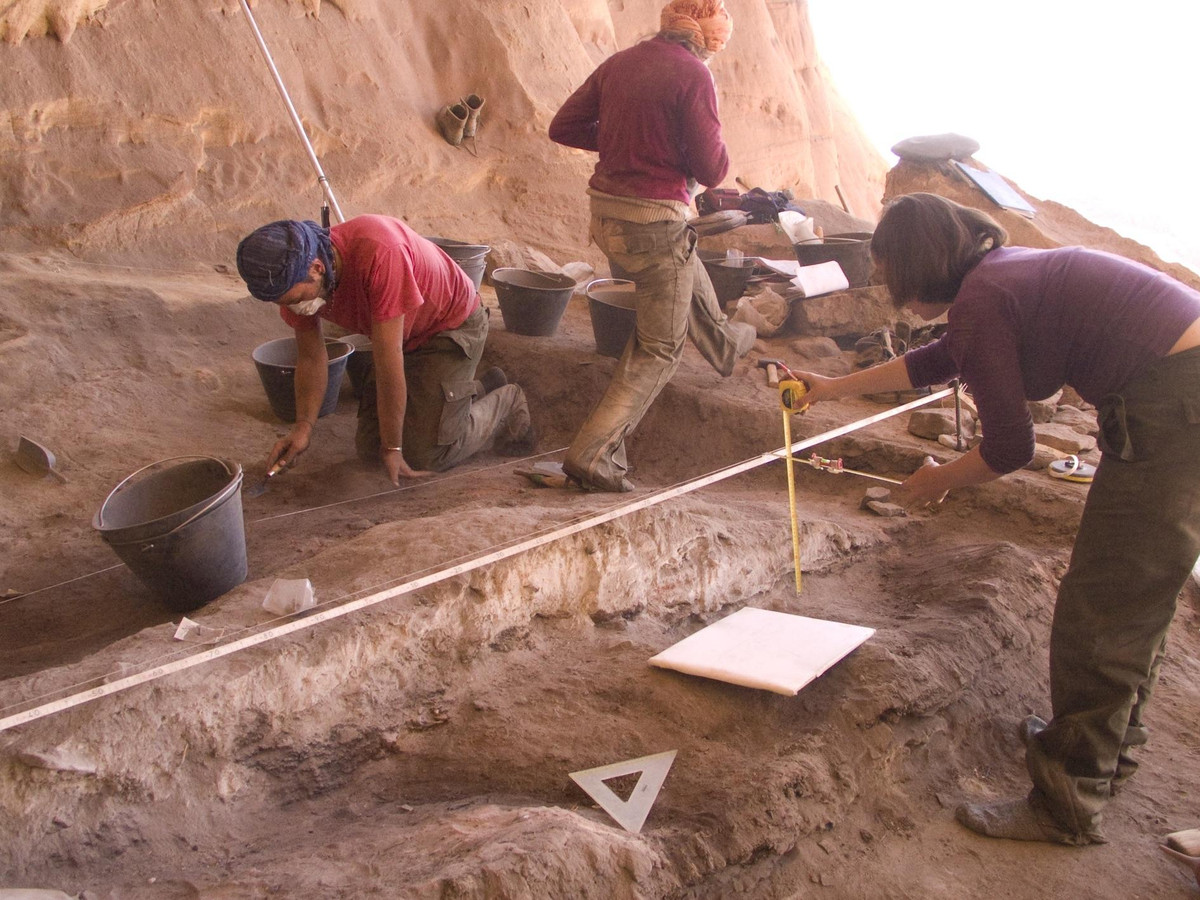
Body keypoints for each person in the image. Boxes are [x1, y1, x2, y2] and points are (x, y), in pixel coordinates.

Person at [794, 192, 1200, 846]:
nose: (895, 292)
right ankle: (1101, 749)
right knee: (1130, 597)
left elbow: (1010, 449)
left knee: (1105, 608)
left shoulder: (986, 297)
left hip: (1180, 404)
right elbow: (941, 359)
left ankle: (1067, 799)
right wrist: (831, 387)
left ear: (919, 265)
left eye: (893, 273)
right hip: (1179, 390)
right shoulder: (1000, 274)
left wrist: (938, 481)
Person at [547, 0, 755, 492]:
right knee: (660, 347)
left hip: (608, 217)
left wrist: (628, 140)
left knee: (683, 265)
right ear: (706, 37)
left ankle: (724, 346)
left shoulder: (622, 61)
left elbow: (564, 127)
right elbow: (712, 170)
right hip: (653, 222)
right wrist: (659, 144)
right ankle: (592, 456)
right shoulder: (694, 75)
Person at [236, 215, 533, 485]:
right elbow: (312, 357)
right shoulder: (297, 277)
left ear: (316, 268)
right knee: (369, 451)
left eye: (293, 299)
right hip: (403, 335)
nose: (291, 308)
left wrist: (394, 448)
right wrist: (303, 427)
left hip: (450, 326)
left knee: (421, 454)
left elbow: (389, 362)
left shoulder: (380, 253)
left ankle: (505, 402)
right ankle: (474, 390)